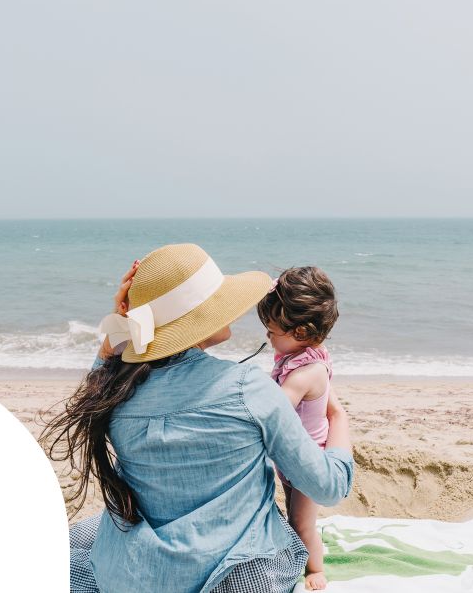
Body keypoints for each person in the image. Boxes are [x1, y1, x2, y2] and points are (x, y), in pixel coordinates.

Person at [45, 244, 354, 593]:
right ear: (198, 320)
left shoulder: (114, 393)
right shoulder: (248, 389)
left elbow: (94, 387)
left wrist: (116, 334)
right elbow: (328, 487)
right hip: (236, 577)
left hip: (133, 576)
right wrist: (338, 417)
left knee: (69, 541)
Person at [256, 266, 341, 590]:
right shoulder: (302, 357)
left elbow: (274, 408)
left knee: (302, 523)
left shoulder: (306, 373)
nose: (268, 337)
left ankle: (315, 569)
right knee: (295, 513)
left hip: (307, 463)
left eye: (272, 331)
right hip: (293, 460)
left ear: (301, 332)